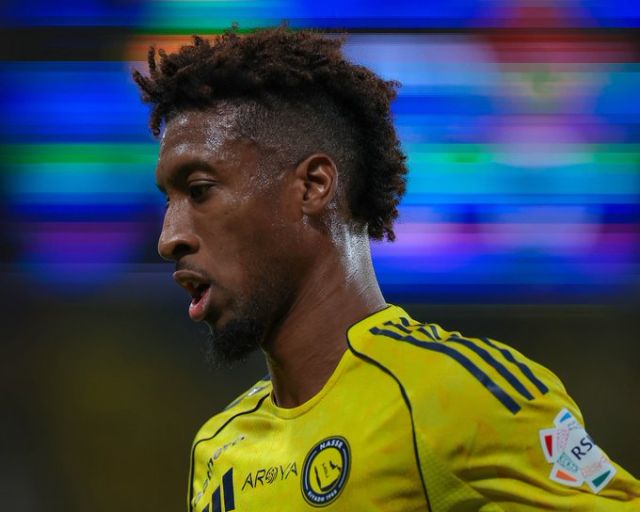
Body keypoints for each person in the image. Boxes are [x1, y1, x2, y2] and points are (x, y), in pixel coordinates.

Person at [133, 27, 639, 511]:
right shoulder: (219, 449)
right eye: (168, 201)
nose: (168, 238)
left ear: (313, 186)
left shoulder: (452, 394)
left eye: (199, 191)